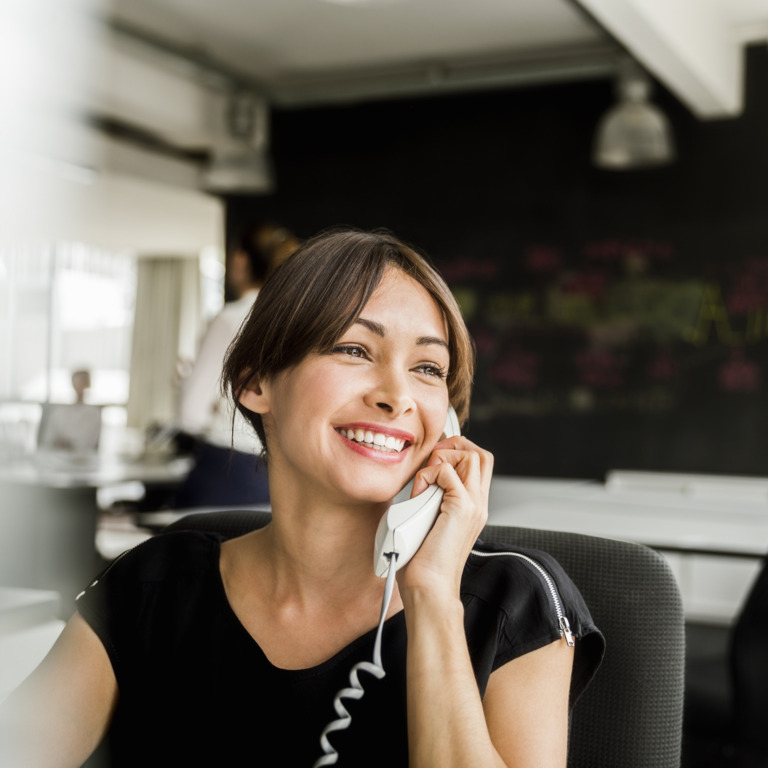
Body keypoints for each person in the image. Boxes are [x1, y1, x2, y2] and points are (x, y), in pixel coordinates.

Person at [0, 228, 604, 767]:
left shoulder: (514, 602)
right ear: (256, 381)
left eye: (427, 368)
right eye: (354, 350)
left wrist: (433, 598)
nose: (397, 395)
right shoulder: (154, 583)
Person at [172, 220, 301, 507]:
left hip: (227, 469)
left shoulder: (231, 319)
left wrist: (188, 385)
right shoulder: (298, 323)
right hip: (284, 474)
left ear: (240, 261)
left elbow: (189, 414)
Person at [36, 368, 102, 453]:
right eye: (76, 382)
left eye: (82, 383)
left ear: (88, 384)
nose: (79, 387)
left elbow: (87, 443)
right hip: (57, 455)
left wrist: (68, 444)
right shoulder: (60, 411)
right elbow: (48, 439)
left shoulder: (93, 413)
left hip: (81, 458)